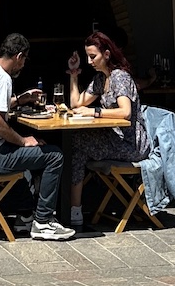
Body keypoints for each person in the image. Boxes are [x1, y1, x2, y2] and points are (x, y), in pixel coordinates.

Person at [0, 32, 74, 241]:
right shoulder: (3, 78)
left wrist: (21, 99)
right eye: (24, 60)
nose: (23, 66)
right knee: (54, 155)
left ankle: (25, 214)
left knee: (27, 151)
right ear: (19, 56)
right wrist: (23, 141)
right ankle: (44, 221)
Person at [63, 31, 149, 229]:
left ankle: (73, 210)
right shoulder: (102, 79)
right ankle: (72, 208)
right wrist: (74, 75)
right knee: (76, 142)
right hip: (114, 138)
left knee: (77, 146)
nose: (89, 61)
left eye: (93, 56)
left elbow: (125, 112)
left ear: (107, 54)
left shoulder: (119, 77)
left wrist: (95, 112)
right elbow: (77, 104)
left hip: (131, 144)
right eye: (87, 57)